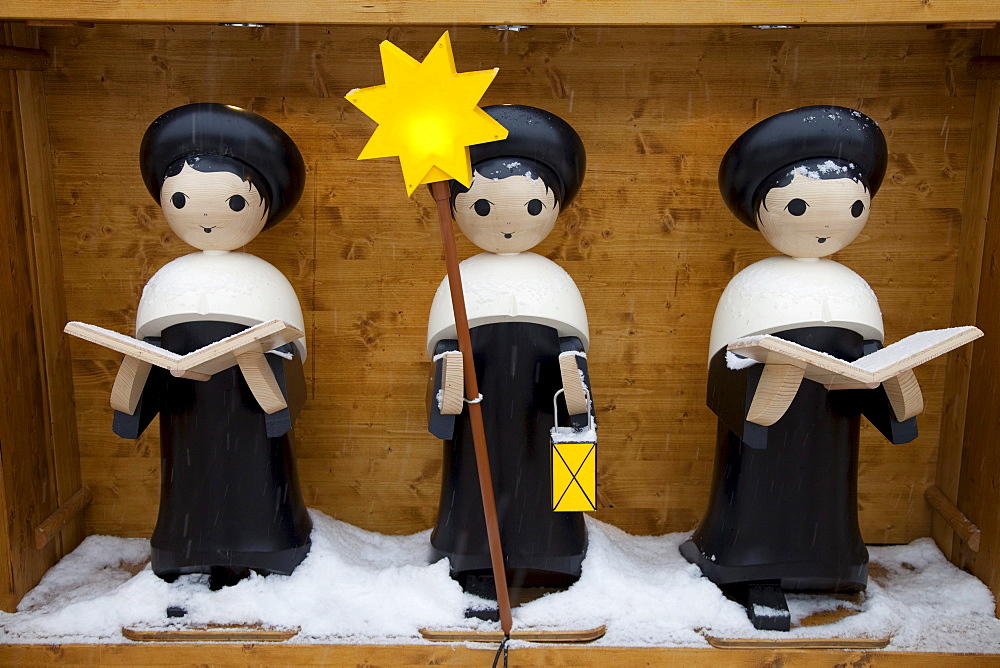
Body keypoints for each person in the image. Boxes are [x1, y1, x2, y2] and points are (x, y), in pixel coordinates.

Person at [680, 106, 918, 630]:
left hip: (830, 433)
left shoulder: (856, 291)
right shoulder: (751, 288)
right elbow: (724, 371)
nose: (827, 222)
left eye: (852, 206)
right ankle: (746, 558)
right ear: (761, 208)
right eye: (802, 204)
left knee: (829, 494)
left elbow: (871, 372)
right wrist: (764, 386)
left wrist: (895, 386)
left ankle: (834, 560)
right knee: (757, 492)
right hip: (770, 436)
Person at [115, 103, 312, 590]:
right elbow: (144, 355)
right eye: (181, 199)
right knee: (187, 482)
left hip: (247, 410)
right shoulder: (166, 282)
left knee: (260, 478)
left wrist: (262, 367)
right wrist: (140, 370)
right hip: (188, 415)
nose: (204, 215)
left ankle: (269, 538)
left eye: (233, 202)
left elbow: (292, 365)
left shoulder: (267, 282)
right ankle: (186, 543)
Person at [426, 105, 594, 602]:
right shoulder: (459, 281)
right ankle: (473, 553)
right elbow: (444, 345)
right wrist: (449, 374)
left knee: (551, 479)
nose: (504, 220)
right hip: (481, 399)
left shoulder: (555, 281)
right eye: (482, 206)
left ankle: (554, 551)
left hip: (546, 402)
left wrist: (573, 369)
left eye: (532, 206)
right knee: (474, 480)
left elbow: (574, 342)